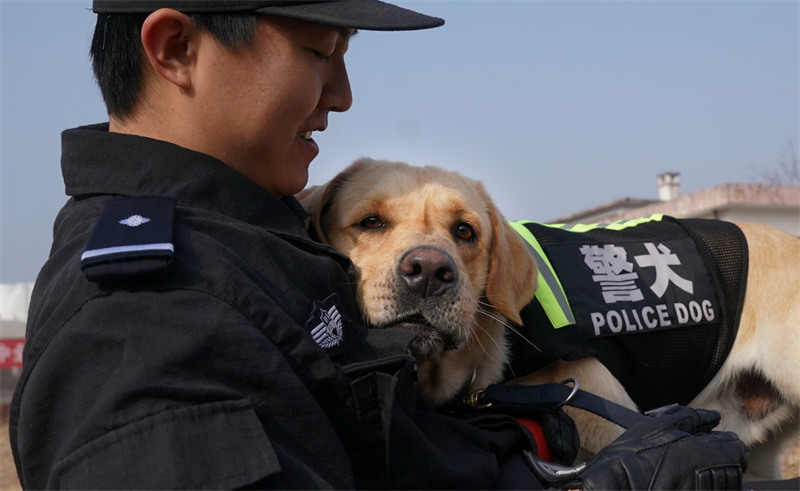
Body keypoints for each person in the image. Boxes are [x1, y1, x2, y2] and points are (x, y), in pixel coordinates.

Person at [9, 1, 749, 489]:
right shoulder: (142, 324)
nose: (343, 94)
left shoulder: (251, 244)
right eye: (316, 51)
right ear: (175, 47)